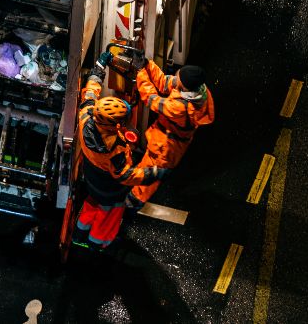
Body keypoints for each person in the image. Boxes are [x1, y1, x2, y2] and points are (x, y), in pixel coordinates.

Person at [74, 51, 168, 250]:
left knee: (92, 203)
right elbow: (126, 176)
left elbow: (91, 91)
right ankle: (97, 243)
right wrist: (152, 174)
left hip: (91, 178)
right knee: (109, 213)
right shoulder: (113, 150)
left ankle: (80, 233)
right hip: (110, 189)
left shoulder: (86, 117)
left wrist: (100, 66)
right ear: (113, 123)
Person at [126, 62, 215, 210]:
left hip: (165, 147)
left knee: (149, 177)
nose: (175, 77)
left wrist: (141, 72)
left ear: (185, 86)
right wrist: (147, 64)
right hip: (170, 141)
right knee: (145, 168)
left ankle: (131, 204)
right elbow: (164, 81)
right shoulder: (198, 91)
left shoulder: (179, 108)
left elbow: (150, 98)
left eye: (178, 77)